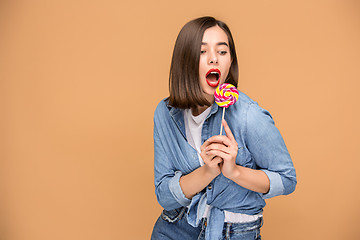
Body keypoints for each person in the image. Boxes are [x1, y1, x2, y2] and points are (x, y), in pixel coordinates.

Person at [151, 16, 297, 240]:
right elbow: (164, 196)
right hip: (175, 227)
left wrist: (234, 171)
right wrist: (208, 171)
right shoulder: (166, 114)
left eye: (222, 51)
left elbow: (287, 180)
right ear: (185, 60)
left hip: (232, 232)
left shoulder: (248, 116)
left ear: (230, 63)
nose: (214, 60)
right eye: (202, 52)